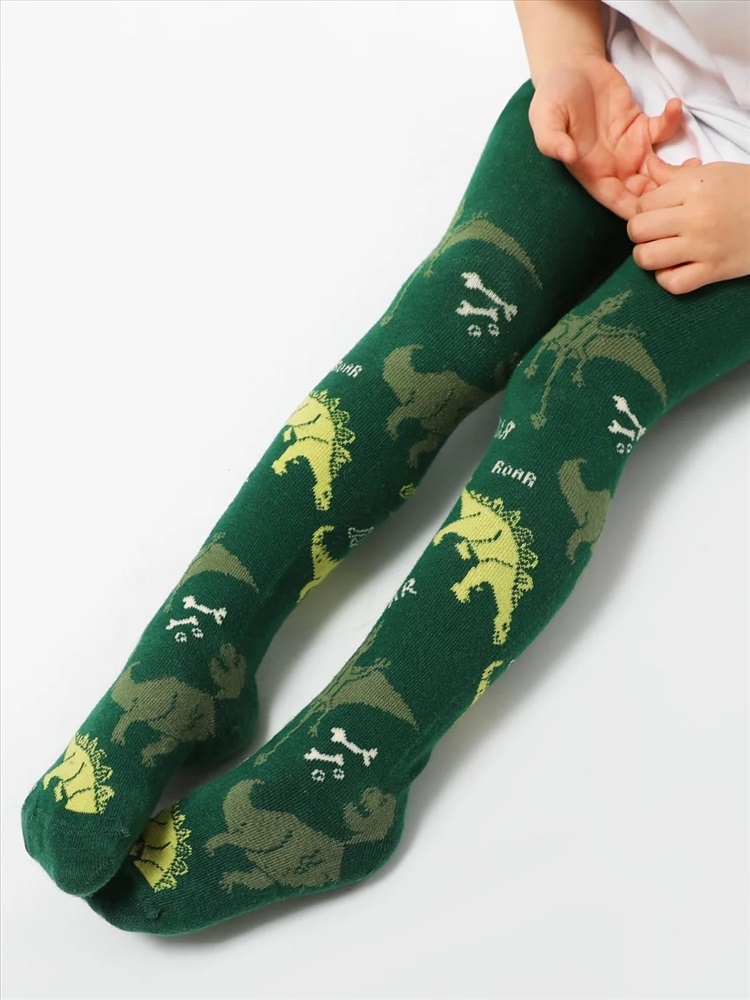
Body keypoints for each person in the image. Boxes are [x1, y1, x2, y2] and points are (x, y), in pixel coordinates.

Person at [21, 0, 750, 935]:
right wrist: (567, 56)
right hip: (617, 97)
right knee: (434, 338)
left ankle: (348, 783)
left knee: (571, 395)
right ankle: (199, 656)